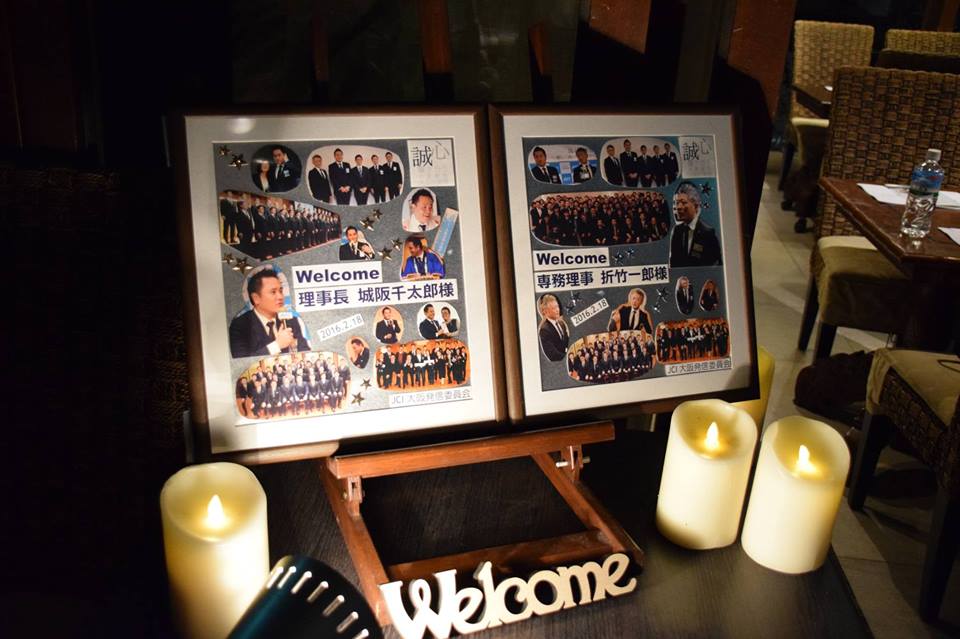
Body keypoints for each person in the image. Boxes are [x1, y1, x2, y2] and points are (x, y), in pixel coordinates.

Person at [229, 269, 311, 358]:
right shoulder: (240, 325)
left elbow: (306, 352)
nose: (280, 297)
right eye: (273, 292)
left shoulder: (291, 321)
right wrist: (277, 345)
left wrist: (294, 345)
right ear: (256, 298)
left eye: (280, 291)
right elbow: (241, 360)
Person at [669, 181, 722, 267]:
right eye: (677, 203)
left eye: (683, 202)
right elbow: (673, 264)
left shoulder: (708, 234)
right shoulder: (676, 231)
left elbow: (715, 265)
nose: (678, 207)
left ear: (696, 206)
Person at [537, 293, 569, 361]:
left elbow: (567, 343)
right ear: (545, 311)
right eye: (554, 308)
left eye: (557, 306)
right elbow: (553, 355)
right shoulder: (544, 330)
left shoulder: (562, 324)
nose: (557, 310)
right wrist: (568, 357)